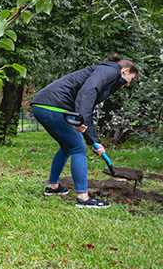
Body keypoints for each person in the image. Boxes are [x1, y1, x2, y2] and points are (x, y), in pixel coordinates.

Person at [31, 54, 138, 208]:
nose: (127, 84)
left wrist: (94, 141)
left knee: (66, 147)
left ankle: (53, 187)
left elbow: (87, 106)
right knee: (77, 148)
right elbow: (87, 92)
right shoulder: (111, 70)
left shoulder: (103, 70)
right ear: (125, 71)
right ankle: (83, 198)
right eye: (130, 79)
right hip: (54, 107)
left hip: (43, 105)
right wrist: (81, 120)